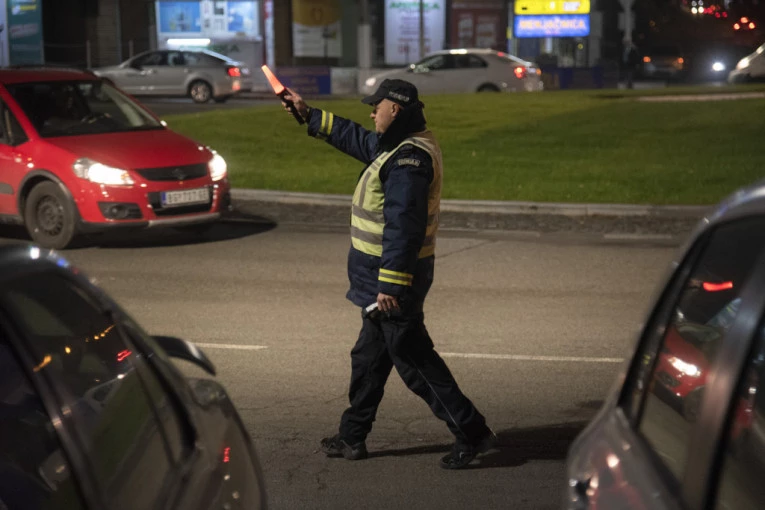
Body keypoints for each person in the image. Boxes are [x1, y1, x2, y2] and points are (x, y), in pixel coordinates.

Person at [281, 79, 496, 469]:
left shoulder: (409, 161)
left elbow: (404, 226)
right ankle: (353, 436)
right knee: (368, 359)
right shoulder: (397, 145)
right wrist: (309, 115)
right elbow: (357, 139)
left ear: (394, 109)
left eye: (375, 106)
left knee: (415, 363)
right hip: (378, 282)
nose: (370, 111)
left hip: (392, 283)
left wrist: (392, 285)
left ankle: (473, 434)